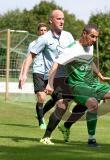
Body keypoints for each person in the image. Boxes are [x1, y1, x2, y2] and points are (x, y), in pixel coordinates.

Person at [45, 24, 110, 147]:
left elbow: (90, 62)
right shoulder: (71, 49)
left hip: (92, 83)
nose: (94, 40)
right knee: (93, 104)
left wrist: (100, 75)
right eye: (92, 36)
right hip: (77, 85)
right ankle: (91, 140)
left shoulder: (90, 47)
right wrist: (49, 84)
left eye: (96, 37)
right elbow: (55, 64)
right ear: (84, 34)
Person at [19, 9, 87, 143]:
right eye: (58, 19)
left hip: (71, 77)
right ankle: (46, 136)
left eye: (63, 19)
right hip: (55, 78)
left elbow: (75, 52)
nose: (61, 21)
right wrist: (23, 74)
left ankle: (66, 126)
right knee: (62, 106)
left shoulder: (68, 36)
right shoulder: (44, 38)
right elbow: (30, 57)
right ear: (51, 20)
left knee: (86, 101)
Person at [18, 22, 55, 129]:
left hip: (50, 73)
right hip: (38, 71)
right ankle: (41, 121)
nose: (43, 32)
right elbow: (27, 59)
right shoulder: (33, 44)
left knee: (56, 98)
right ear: (38, 32)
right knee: (41, 96)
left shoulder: (51, 43)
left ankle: (41, 112)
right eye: (41, 30)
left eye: (45, 30)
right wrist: (22, 74)